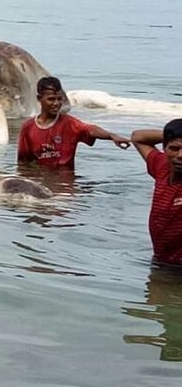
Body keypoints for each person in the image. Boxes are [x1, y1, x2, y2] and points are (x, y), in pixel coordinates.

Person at [17, 76, 130, 168]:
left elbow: (91, 130)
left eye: (59, 99)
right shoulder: (28, 127)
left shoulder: (69, 123)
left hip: (65, 183)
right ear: (39, 98)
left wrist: (111, 136)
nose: (56, 103)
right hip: (41, 180)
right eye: (51, 99)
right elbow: (23, 163)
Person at [130, 119, 182, 265]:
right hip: (162, 261)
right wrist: (171, 135)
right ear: (164, 148)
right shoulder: (162, 167)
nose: (180, 155)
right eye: (174, 148)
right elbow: (138, 137)